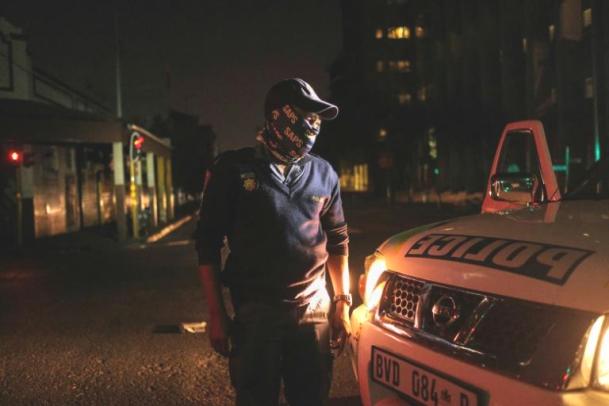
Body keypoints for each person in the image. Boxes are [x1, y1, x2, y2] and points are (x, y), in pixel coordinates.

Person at [194, 78, 351, 406]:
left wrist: (342, 302)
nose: (313, 125)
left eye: (317, 118)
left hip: (314, 309)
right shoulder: (233, 169)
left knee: (311, 397)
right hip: (256, 312)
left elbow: (338, 240)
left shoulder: (324, 173)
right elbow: (207, 244)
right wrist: (216, 313)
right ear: (279, 116)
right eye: (306, 115)